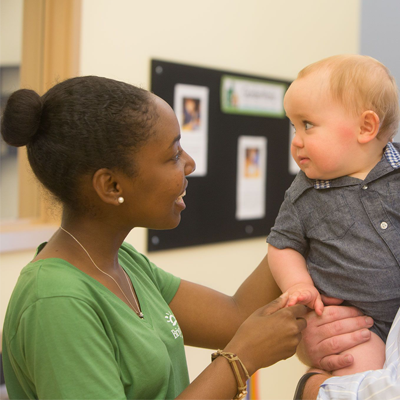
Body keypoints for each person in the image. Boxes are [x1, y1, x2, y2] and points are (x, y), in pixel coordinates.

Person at [0, 75, 371, 400]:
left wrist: (310, 218)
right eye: (173, 154)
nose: (189, 163)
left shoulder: (122, 263)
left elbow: (235, 315)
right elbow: (241, 337)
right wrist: (239, 360)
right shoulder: (56, 301)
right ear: (112, 185)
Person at [266, 54, 400, 376]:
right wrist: (298, 283)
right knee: (359, 378)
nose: (296, 141)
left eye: (307, 125)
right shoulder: (304, 194)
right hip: (355, 327)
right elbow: (282, 244)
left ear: (366, 127)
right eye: (294, 126)